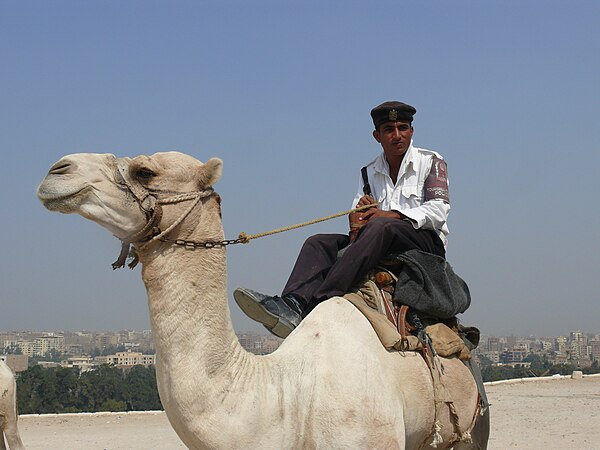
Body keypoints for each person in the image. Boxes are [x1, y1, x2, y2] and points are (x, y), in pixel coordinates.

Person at [234, 101, 450, 338]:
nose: (397, 135)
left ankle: (320, 301)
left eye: (403, 128)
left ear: (412, 131)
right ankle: (293, 303)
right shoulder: (368, 171)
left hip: (424, 243)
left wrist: (391, 215)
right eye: (389, 129)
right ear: (377, 136)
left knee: (381, 225)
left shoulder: (431, 161)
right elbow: (358, 218)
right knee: (318, 242)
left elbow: (438, 210)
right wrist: (355, 221)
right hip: (379, 239)